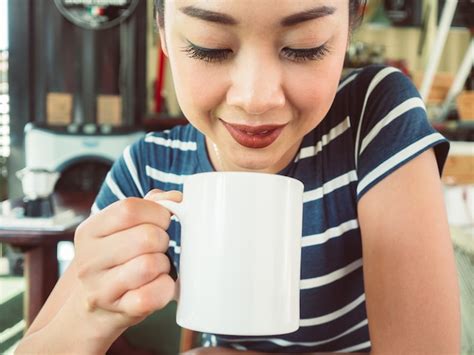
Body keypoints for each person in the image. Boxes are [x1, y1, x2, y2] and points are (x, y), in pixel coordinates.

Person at [16, 0, 460, 354]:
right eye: (209, 46)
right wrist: (88, 313)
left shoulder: (372, 118)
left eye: (305, 46)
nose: (255, 98)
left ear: (349, 27)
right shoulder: (146, 171)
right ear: (164, 32)